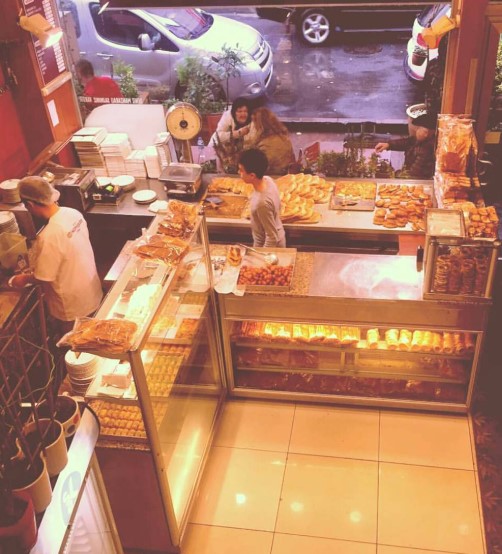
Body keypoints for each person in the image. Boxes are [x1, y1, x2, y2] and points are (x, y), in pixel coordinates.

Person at [9, 176, 103, 335]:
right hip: (91, 290)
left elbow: (43, 277)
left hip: (71, 306)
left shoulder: (49, 236)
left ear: (30, 204)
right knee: (94, 335)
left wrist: (23, 279)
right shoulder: (73, 214)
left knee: (76, 342)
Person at [238, 148, 286, 248]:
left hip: (268, 247)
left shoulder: (262, 203)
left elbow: (272, 237)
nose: (239, 172)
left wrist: (261, 256)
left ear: (252, 175)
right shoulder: (268, 180)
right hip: (278, 234)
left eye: (241, 170)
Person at [374, 113, 437, 179]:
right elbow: (407, 142)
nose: (416, 131)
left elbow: (414, 174)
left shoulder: (427, 150)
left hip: (416, 180)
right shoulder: (420, 140)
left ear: (427, 133)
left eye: (420, 129)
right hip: (407, 173)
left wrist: (396, 175)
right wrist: (388, 145)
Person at [252, 107, 295, 175]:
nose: (253, 126)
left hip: (271, 177)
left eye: (254, 123)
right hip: (286, 176)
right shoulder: (285, 139)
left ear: (260, 125)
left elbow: (257, 169)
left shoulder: (265, 145)